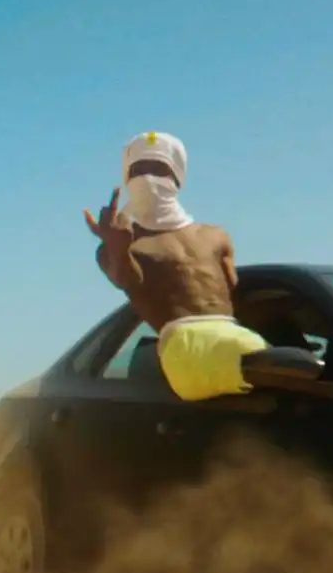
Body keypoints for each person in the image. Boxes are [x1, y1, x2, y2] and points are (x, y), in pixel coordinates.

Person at [84, 131, 267, 401]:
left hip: (234, 338)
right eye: (138, 170)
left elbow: (233, 290)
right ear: (127, 178)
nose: (148, 178)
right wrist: (118, 249)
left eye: (158, 169)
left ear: (177, 176)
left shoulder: (215, 236)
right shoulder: (119, 246)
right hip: (184, 350)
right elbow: (126, 281)